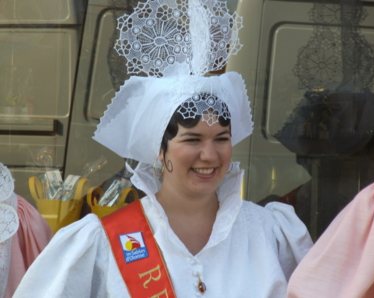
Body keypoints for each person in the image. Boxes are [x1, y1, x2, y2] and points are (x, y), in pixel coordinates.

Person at [13, 0, 313, 297]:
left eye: (221, 138)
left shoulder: (270, 233)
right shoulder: (102, 240)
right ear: (160, 148)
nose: (209, 155)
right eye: (192, 140)